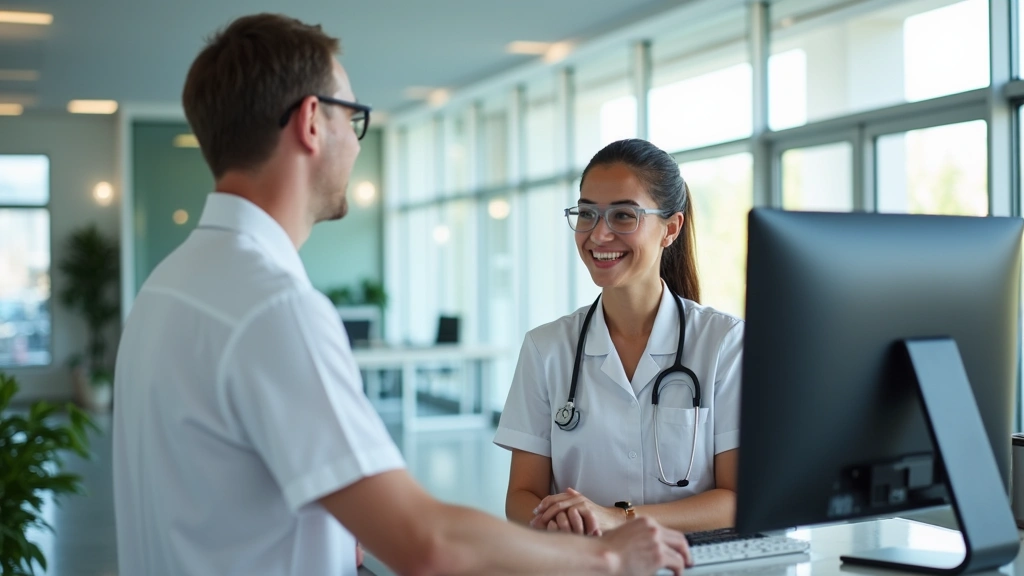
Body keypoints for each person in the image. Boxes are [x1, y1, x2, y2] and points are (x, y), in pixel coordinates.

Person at [111, 14, 692, 576]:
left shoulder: (167, 286)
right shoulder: (273, 307)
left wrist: (335, 528)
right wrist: (609, 557)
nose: (357, 142)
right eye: (353, 117)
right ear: (312, 122)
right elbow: (426, 544)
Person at [494, 138, 743, 537]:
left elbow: (736, 499)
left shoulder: (724, 343)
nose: (599, 234)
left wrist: (619, 517)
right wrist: (566, 521)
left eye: (624, 216)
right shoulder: (547, 349)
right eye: (587, 213)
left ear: (670, 228)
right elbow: (522, 496)